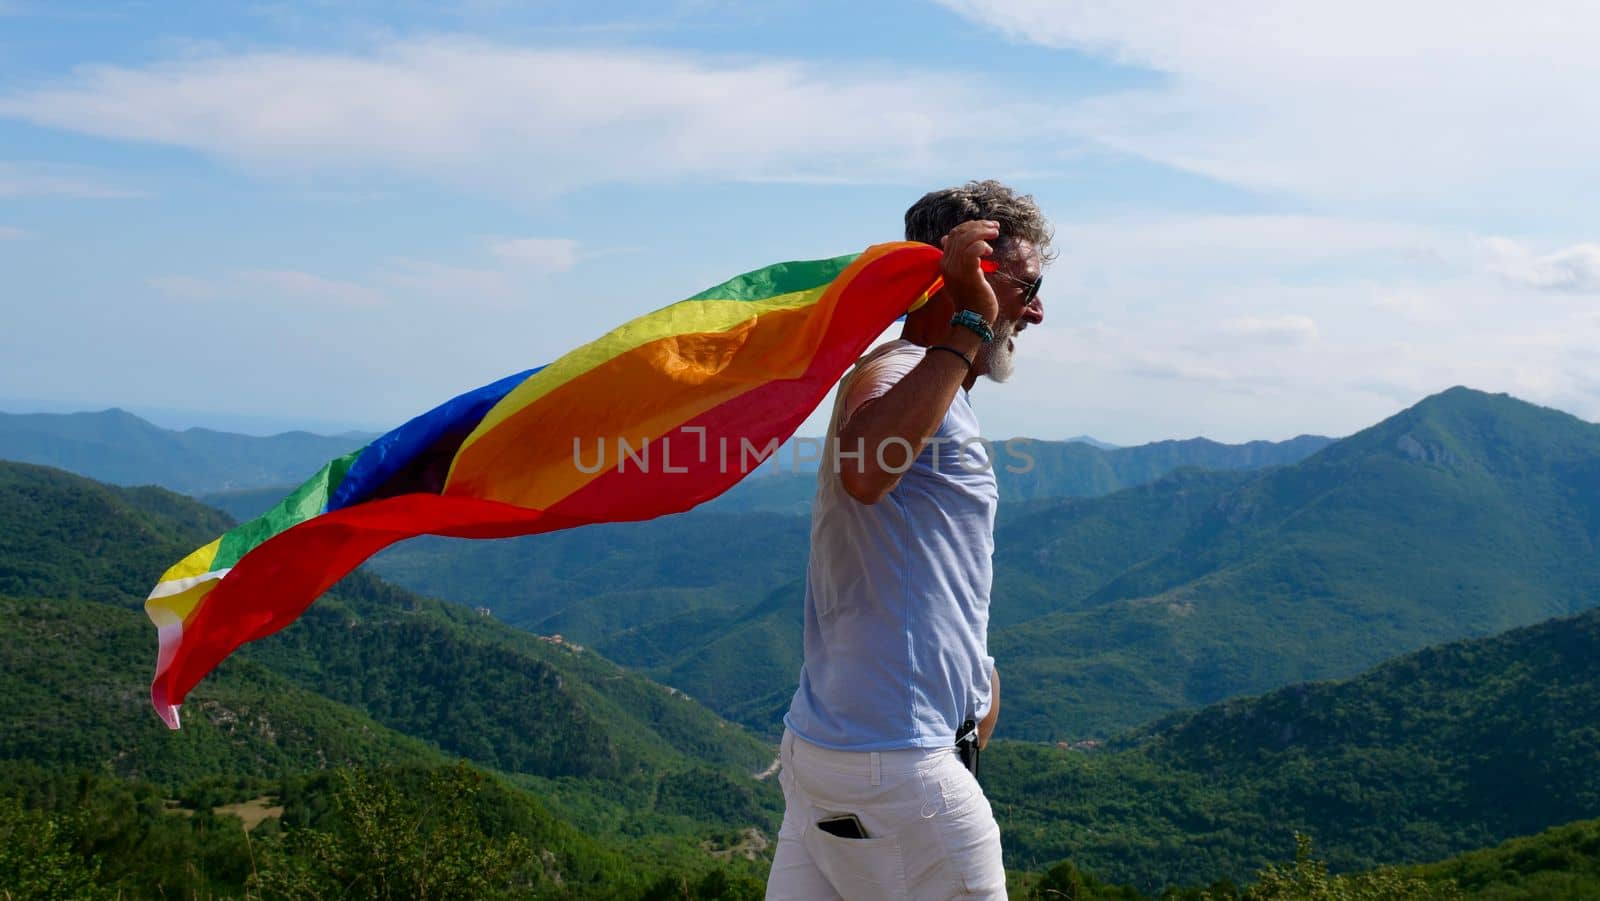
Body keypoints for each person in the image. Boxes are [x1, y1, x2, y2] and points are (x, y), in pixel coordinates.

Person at [766, 180, 1050, 901]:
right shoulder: (899, 371)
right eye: (1029, 285)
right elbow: (866, 470)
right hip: (895, 769)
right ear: (972, 276)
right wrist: (967, 327)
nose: (1038, 311)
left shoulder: (928, 389)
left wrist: (974, 690)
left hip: (837, 755)